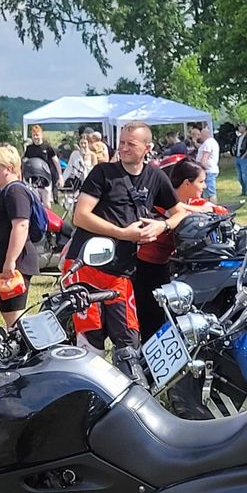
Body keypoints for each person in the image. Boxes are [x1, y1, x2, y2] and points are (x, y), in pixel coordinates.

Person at [62, 120, 182, 351]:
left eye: (131, 144)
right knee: (90, 340)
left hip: (122, 271)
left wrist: (162, 226)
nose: (124, 148)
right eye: (122, 143)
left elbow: (179, 212)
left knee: (129, 340)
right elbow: (80, 216)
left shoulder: (155, 176)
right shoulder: (103, 173)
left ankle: (129, 385)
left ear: (147, 148)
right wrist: (122, 234)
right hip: (87, 266)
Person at [134, 158, 219, 338]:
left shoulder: (188, 202)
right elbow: (177, 212)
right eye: (201, 182)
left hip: (164, 265)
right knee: (151, 318)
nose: (204, 187)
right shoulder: (163, 199)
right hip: (145, 267)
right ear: (187, 183)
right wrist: (201, 210)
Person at [0, 144, 39, 326]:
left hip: (12, 265)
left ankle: (26, 354)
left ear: (9, 168)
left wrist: (10, 261)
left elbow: (21, 225)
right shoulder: (2, 192)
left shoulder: (15, 191)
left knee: (14, 319)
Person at [23, 125, 62, 206]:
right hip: (33, 178)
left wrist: (60, 176)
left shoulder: (47, 148)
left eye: (37, 135)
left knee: (47, 203)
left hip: (46, 178)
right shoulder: (29, 148)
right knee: (35, 202)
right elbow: (25, 161)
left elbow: (56, 162)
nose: (35, 137)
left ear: (41, 135)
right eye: (34, 135)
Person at [196, 126, 220, 202]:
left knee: (210, 193)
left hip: (208, 171)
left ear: (204, 135)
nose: (199, 137)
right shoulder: (212, 142)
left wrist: (201, 168)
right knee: (208, 192)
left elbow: (205, 158)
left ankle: (213, 209)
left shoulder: (207, 143)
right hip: (211, 170)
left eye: (200, 135)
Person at [234, 123, 247, 199]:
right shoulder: (238, 137)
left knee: (245, 175)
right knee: (239, 176)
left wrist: (244, 155)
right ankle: (243, 190)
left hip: (244, 158)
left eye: (241, 127)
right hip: (237, 157)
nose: (239, 128)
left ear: (245, 128)